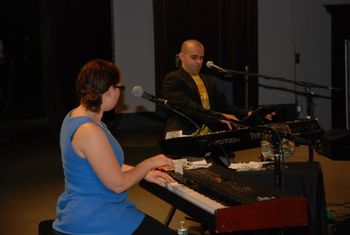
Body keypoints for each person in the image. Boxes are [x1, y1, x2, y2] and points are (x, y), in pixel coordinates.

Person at [52, 59, 177, 235]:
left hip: (91, 210)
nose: (119, 92)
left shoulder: (75, 116)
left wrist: (145, 173)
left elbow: (106, 165)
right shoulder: (89, 130)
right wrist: (149, 163)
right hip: (96, 218)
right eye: (119, 87)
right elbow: (118, 184)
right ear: (109, 90)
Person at [163, 39, 275, 136]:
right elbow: (189, 108)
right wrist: (219, 116)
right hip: (184, 134)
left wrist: (249, 113)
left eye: (201, 58)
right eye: (194, 57)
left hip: (207, 135)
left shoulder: (207, 80)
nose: (198, 62)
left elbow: (224, 106)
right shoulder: (173, 79)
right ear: (182, 56)